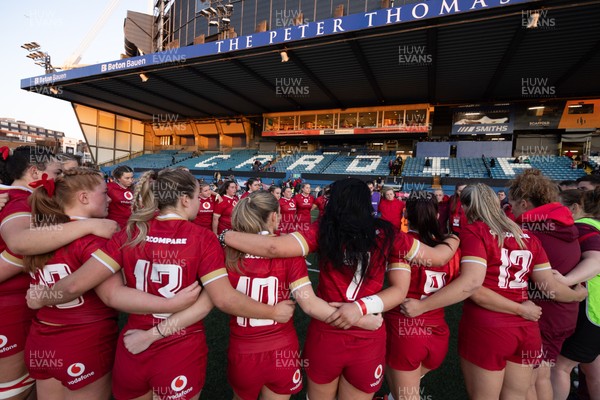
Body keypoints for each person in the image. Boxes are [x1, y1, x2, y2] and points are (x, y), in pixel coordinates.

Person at [28, 168, 295, 400]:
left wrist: (42, 297)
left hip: (131, 346)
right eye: (195, 197)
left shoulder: (131, 231)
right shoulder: (202, 238)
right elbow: (223, 300)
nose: (199, 201)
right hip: (180, 348)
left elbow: (85, 288)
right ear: (183, 199)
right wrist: (274, 312)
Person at [221, 178, 460, 400]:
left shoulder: (323, 230)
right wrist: (455, 239)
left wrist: (224, 235)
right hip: (368, 336)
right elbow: (434, 261)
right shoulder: (389, 234)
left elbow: (273, 247)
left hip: (326, 334)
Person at [23, 168, 198, 400]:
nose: (110, 199)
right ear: (83, 197)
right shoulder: (94, 240)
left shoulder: (38, 236)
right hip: (83, 341)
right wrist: (171, 303)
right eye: (105, 193)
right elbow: (110, 295)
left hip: (41, 337)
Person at [401, 183, 587, 400]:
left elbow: (471, 285)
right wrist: (578, 295)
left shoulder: (475, 231)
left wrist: (422, 306)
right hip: (526, 331)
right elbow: (552, 287)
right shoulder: (527, 236)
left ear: (468, 207)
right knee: (517, 395)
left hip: (489, 328)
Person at [224, 192, 382, 400]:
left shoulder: (226, 252)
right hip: (281, 349)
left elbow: (221, 299)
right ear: (274, 216)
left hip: (242, 350)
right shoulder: (289, 254)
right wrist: (361, 320)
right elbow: (310, 306)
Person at [0, 146, 118, 400]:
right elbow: (19, 243)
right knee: (11, 391)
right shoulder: (22, 203)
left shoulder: (44, 219)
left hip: (43, 332)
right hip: (79, 336)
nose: (60, 179)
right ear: (34, 171)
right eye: (57, 172)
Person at [507, 169, 582, 400]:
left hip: (546, 315)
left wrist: (575, 295)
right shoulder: (561, 223)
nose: (511, 210)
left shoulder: (533, 232)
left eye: (513, 205)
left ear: (524, 202)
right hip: (561, 315)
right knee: (544, 373)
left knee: (532, 379)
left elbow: (547, 284)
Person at [384, 191, 460, 400]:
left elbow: (397, 289)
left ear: (406, 214)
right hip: (438, 330)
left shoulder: (402, 244)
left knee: (407, 395)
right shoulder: (451, 245)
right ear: (437, 215)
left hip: (405, 330)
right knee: (403, 389)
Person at [552, 189, 600, 400]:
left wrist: (565, 280)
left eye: (558, 206)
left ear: (574, 208)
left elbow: (595, 261)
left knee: (559, 367)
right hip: (595, 313)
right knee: (593, 369)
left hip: (590, 310)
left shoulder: (582, 227)